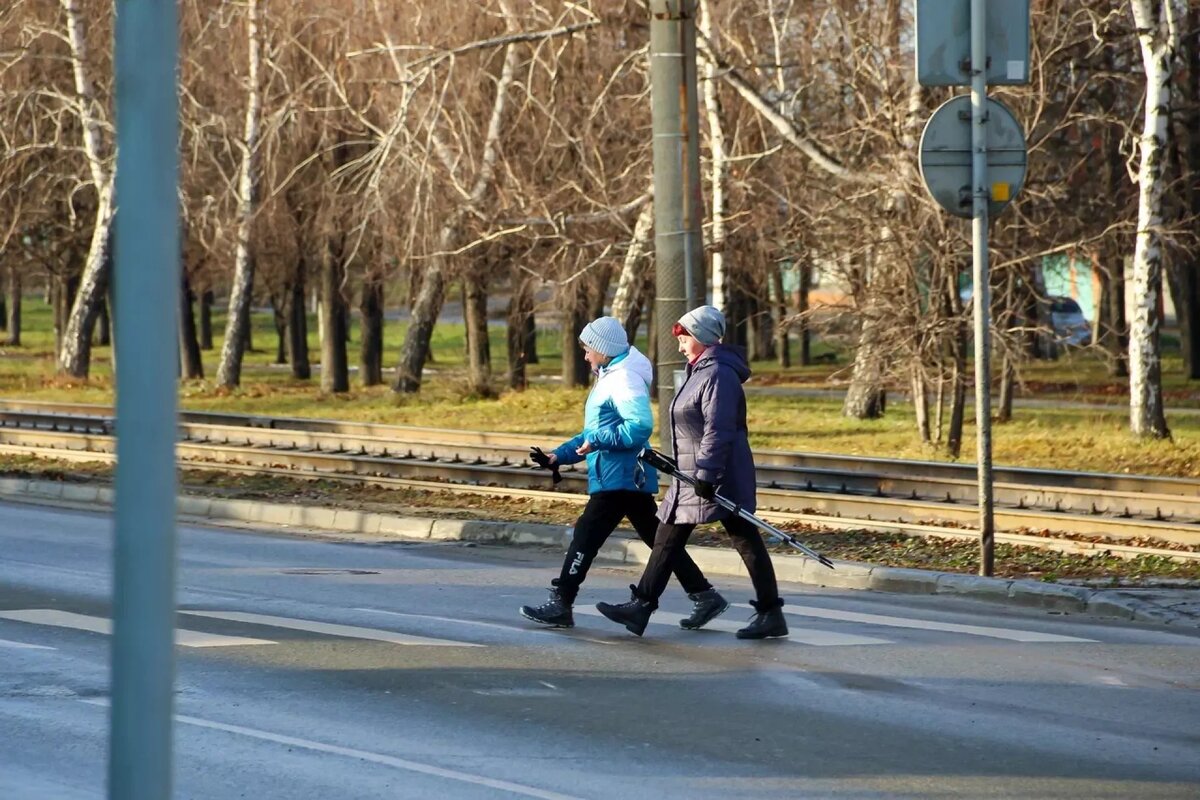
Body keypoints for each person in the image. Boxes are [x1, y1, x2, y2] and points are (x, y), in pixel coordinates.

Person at [520, 315, 729, 630]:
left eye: (588, 348)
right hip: (625, 474)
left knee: (586, 536)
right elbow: (593, 432)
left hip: (619, 475)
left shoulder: (623, 379)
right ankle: (704, 594)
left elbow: (639, 426)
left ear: (603, 349)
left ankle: (561, 602)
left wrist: (599, 441)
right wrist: (557, 456)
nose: (585, 355)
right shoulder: (610, 374)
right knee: (659, 540)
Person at [595, 305, 788, 640]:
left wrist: (708, 475)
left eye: (684, 336)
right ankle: (641, 605)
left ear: (701, 337)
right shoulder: (700, 370)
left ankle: (770, 613)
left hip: (714, 475)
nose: (680, 343)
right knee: (667, 537)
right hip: (693, 473)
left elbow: (719, 429)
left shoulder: (717, 374)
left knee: (743, 538)